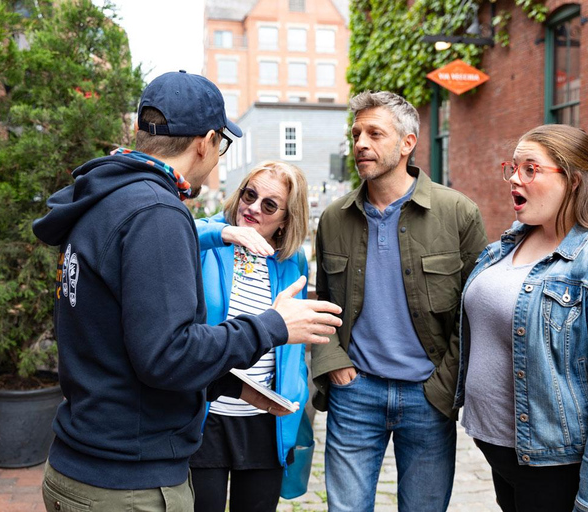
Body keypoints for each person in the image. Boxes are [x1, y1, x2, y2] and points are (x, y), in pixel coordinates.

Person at [32, 71, 342, 512]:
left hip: (83, 462)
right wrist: (271, 327)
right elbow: (167, 355)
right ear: (206, 141)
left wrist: (228, 386)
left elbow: (134, 340)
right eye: (221, 147)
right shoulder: (156, 212)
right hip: (127, 483)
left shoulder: (104, 197)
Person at [454, 124, 588, 512]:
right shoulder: (509, 243)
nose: (514, 178)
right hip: (513, 454)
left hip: (564, 463)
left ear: (574, 182)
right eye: (512, 167)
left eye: (531, 169)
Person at [311, 91, 488, 512]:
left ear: (407, 143)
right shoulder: (335, 218)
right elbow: (321, 300)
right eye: (356, 133)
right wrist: (333, 362)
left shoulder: (458, 212)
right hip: (355, 393)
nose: (360, 144)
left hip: (428, 395)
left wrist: (444, 385)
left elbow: (476, 313)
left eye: (374, 133)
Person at [189, 160, 313, 512]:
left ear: (286, 218)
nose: (253, 208)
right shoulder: (212, 239)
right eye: (250, 194)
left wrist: (295, 394)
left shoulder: (292, 263)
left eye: (269, 205)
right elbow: (173, 233)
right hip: (206, 415)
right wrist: (224, 233)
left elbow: (294, 341)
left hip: (265, 421)